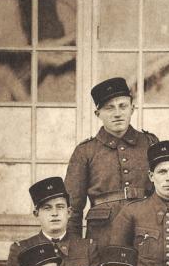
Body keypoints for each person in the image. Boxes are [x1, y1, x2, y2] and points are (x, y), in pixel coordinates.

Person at [65, 77, 158, 248]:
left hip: (145, 231)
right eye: (109, 108)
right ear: (97, 113)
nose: (117, 113)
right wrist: (76, 253)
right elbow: (72, 209)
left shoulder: (150, 144)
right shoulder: (85, 151)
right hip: (103, 235)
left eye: (123, 106)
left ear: (132, 108)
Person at [4, 177, 99, 266]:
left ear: (69, 212)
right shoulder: (21, 249)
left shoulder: (87, 248)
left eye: (60, 207)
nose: (54, 213)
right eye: (47, 208)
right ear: (36, 214)